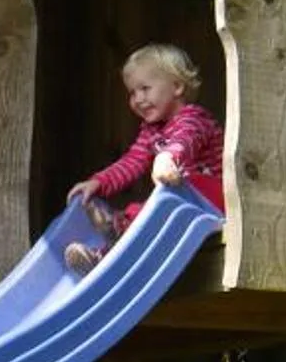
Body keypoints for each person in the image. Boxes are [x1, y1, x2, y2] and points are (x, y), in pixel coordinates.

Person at [65, 42, 225, 272]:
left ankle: (116, 227)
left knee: (150, 211)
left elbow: (185, 141)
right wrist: (99, 182)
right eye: (132, 93)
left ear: (177, 86)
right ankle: (102, 259)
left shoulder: (194, 118)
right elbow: (132, 162)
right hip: (182, 206)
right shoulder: (152, 131)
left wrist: (167, 158)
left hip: (211, 202)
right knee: (147, 216)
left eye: (145, 88)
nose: (138, 99)